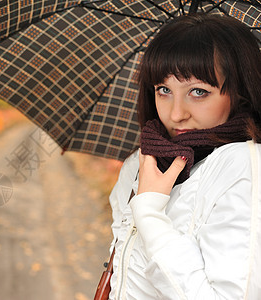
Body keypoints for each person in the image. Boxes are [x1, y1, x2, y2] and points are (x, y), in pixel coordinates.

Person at [108, 13, 261, 299]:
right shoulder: (139, 164)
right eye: (164, 90)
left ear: (239, 94)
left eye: (198, 91)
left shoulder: (243, 166)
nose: (176, 113)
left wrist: (150, 214)